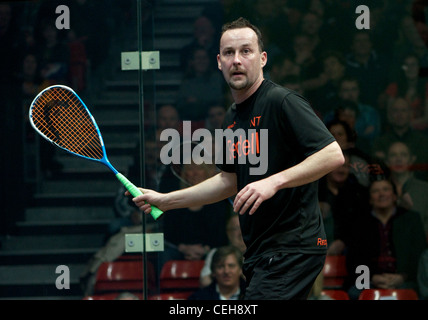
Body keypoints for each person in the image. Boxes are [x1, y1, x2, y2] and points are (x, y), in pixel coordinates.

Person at [129, 17, 344, 300]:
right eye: (229, 53)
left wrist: (274, 182)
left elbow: (332, 154)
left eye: (246, 51)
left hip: (292, 247)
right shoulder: (232, 118)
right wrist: (166, 200)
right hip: (259, 251)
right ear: (219, 62)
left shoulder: (282, 102)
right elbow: (228, 180)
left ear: (263, 58)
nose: (237, 60)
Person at [343, 178, 427, 299]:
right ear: (370, 199)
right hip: (369, 280)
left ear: (394, 196)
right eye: (375, 191)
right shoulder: (359, 223)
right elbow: (353, 259)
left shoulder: (411, 219)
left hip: (404, 280)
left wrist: (402, 277)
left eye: (385, 189)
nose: (381, 194)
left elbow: (419, 254)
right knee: (355, 293)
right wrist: (372, 277)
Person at [372, 97, 428, 181]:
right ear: (390, 115)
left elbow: (423, 168)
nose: (400, 114)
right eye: (396, 111)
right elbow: (376, 168)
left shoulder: (422, 141)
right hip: (388, 185)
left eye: (403, 110)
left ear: (410, 114)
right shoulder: (380, 142)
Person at [385, 141, 428, 240]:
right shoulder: (380, 190)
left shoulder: (425, 190)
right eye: (393, 155)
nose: (398, 159)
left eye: (403, 155)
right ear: (387, 161)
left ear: (411, 159)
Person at [200, 213, 246, 288]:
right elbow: (205, 282)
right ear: (228, 233)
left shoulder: (260, 254)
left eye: (244, 226)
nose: (240, 232)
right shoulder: (216, 253)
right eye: (236, 228)